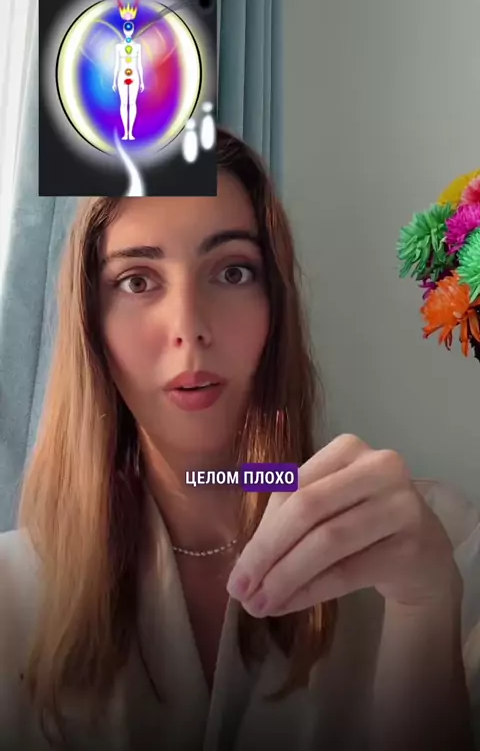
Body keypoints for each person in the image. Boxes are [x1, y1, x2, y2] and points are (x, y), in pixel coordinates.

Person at [0, 127, 478, 751]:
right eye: (137, 281)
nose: (189, 327)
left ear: (275, 304)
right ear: (91, 324)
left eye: (231, 272)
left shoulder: (436, 541)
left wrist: (424, 609)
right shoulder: (12, 593)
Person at [112, 19, 145, 141]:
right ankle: (126, 133)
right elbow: (116, 65)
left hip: (134, 76)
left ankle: (130, 133)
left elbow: (139, 65)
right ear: (124, 30)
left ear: (132, 30)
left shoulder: (137, 47)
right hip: (122, 76)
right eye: (127, 28)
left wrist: (142, 81)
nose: (128, 31)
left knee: (132, 103)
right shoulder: (118, 47)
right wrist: (114, 81)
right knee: (124, 103)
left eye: (130, 28)